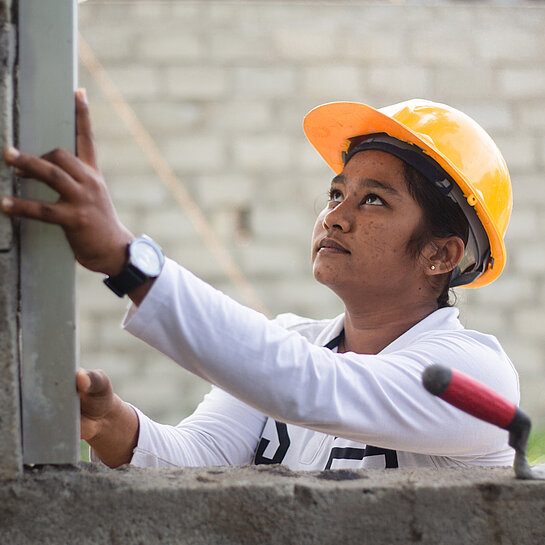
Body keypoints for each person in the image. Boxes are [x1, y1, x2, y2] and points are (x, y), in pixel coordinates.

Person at [1, 90, 517, 471]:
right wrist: (112, 424)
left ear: (439, 254)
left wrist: (126, 259)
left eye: (374, 200)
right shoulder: (293, 342)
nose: (335, 217)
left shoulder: (472, 377)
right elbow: (201, 460)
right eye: (337, 195)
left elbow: (309, 387)